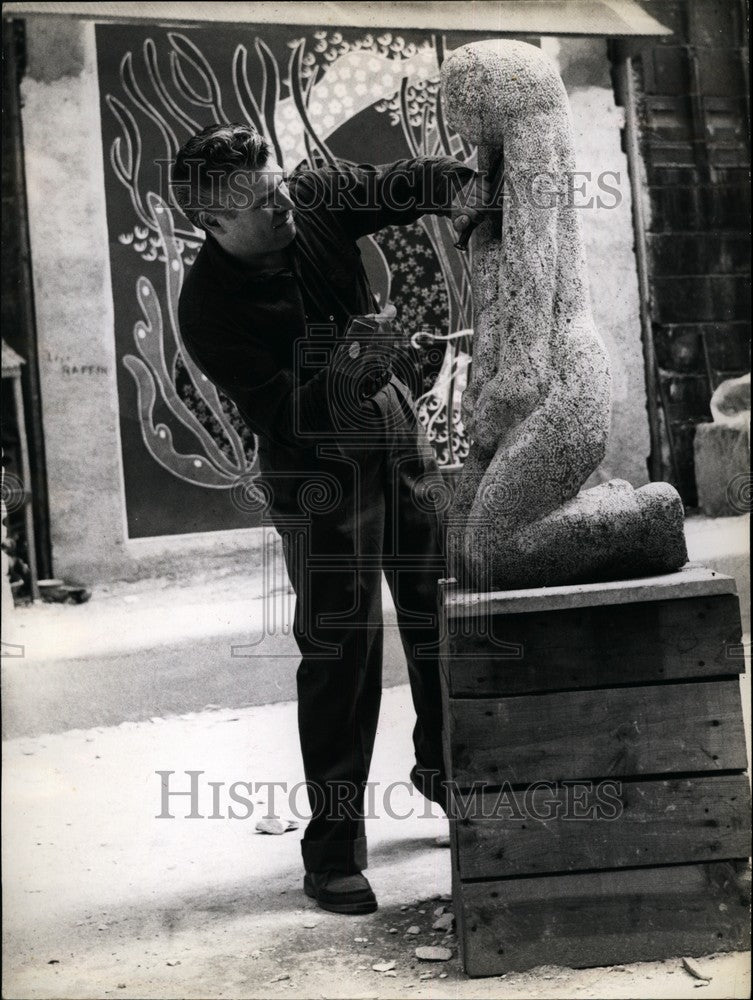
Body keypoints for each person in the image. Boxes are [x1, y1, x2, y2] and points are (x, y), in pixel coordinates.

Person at [172, 123, 487, 915]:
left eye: (278, 184)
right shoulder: (206, 309)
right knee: (341, 651)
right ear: (212, 221)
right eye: (261, 202)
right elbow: (284, 418)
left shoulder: (306, 196)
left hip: (395, 432)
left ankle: (445, 772)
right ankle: (333, 852)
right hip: (315, 469)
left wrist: (456, 183)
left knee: (441, 615)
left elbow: (393, 184)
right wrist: (350, 366)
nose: (283, 204)